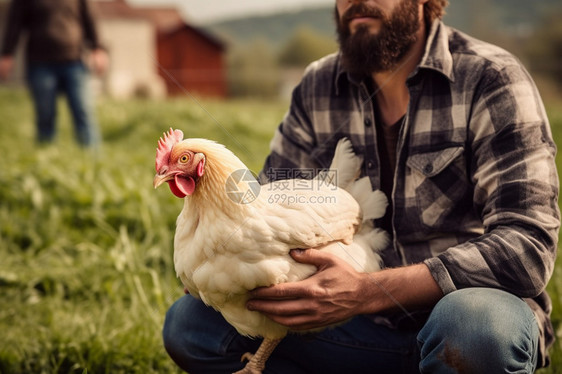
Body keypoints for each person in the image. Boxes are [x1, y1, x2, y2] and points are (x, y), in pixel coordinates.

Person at [162, 0, 560, 372]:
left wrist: (367, 290)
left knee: (475, 329)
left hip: (461, 317)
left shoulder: (491, 79)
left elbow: (528, 244)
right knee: (192, 325)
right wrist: (215, 260)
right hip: (346, 326)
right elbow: (266, 208)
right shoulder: (318, 85)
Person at [0, 0, 108, 147]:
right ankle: (45, 156)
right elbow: (15, 22)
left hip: (75, 60)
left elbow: (90, 17)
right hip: (40, 62)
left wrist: (97, 47)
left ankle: (93, 157)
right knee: (45, 114)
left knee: (83, 111)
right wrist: (7, 53)